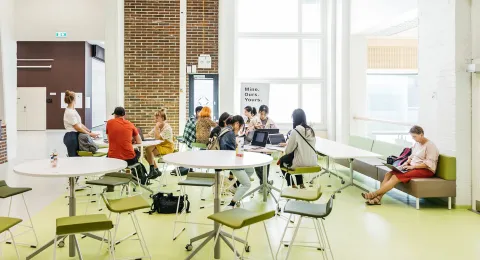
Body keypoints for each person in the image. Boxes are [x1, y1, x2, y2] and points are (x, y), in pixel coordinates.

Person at [362, 125, 439, 205]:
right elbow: (412, 156)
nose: (413, 139)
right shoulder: (417, 143)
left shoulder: (430, 146)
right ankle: (378, 199)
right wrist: (407, 162)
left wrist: (413, 166)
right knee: (389, 174)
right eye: (412, 137)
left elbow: (428, 164)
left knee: (396, 177)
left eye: (414, 137)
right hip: (413, 167)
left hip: (425, 170)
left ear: (421, 135)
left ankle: (374, 194)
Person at [219, 115, 254, 207]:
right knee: (247, 184)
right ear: (237, 124)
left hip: (225, 159)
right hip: (230, 162)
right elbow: (233, 152)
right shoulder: (230, 133)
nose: (240, 129)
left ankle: (234, 186)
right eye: (241, 127)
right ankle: (232, 203)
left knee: (251, 170)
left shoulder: (226, 130)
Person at [279, 109, 317, 189]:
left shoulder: (295, 131)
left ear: (294, 119)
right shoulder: (311, 130)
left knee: (282, 160)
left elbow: (288, 151)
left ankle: (292, 185)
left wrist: (288, 144)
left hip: (301, 162)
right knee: (296, 157)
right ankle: (301, 184)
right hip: (314, 162)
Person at [63, 90, 99, 157]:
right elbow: (77, 127)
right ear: (74, 99)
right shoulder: (70, 112)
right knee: (74, 158)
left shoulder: (73, 110)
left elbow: (80, 124)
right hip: (71, 137)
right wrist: (90, 134)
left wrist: (89, 131)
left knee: (78, 157)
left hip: (75, 135)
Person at [145, 108, 174, 177]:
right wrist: (138, 136)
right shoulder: (157, 126)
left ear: (162, 118)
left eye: (157, 117)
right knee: (147, 152)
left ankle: (153, 171)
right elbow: (149, 134)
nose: (155, 119)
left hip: (167, 147)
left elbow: (157, 138)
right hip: (160, 145)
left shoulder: (167, 128)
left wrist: (157, 128)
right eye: (155, 117)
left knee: (148, 152)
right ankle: (156, 170)